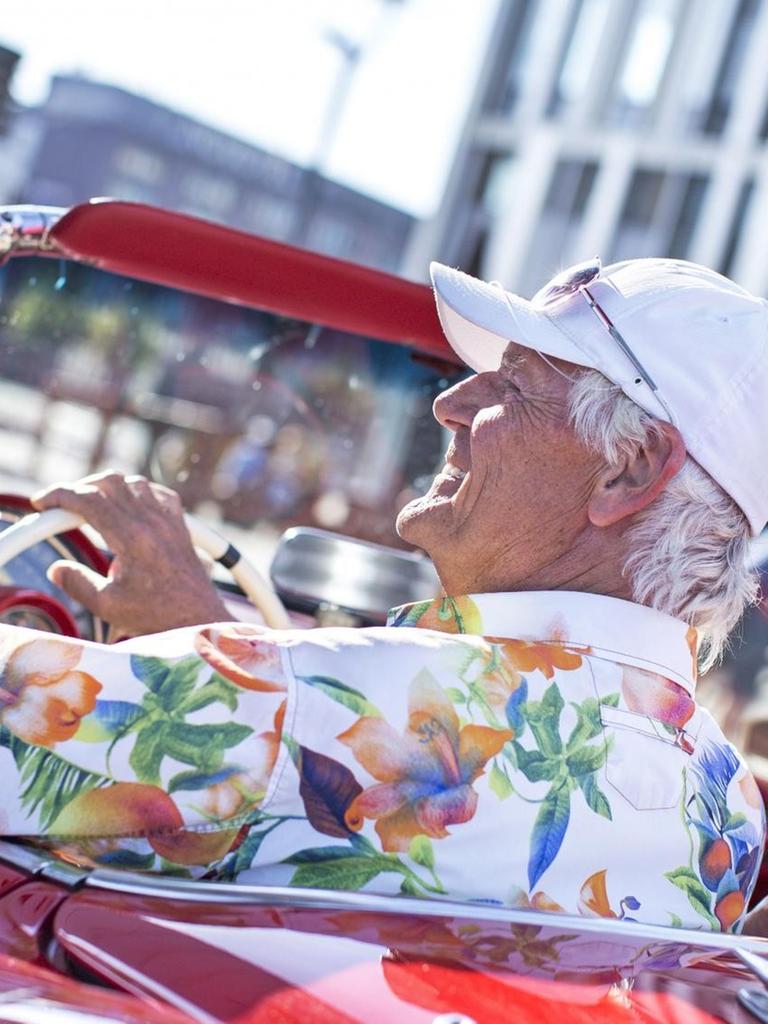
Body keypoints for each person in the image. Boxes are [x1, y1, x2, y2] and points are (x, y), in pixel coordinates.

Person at [1, 256, 765, 934]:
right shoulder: (726, 805)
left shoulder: (325, 702)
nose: (452, 404)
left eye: (515, 386)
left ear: (629, 469)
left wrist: (225, 671)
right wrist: (206, 645)